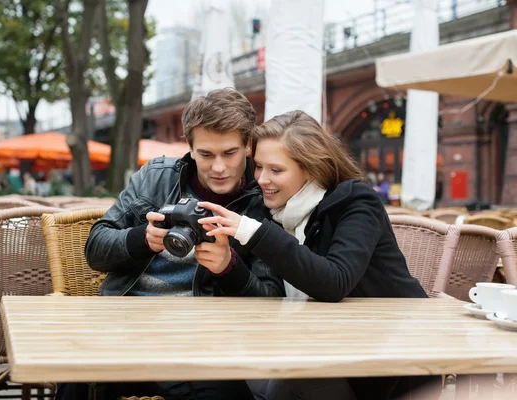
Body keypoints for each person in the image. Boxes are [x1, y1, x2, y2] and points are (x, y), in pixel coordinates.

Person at [197, 110, 441, 400]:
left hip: (391, 362)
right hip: (327, 351)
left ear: (311, 168)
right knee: (227, 376)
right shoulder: (274, 213)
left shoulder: (356, 202)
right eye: (259, 166)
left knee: (284, 386)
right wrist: (227, 265)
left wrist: (252, 232)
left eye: (276, 170)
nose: (261, 179)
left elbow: (334, 281)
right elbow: (270, 296)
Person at [79, 88, 285, 400]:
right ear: (189, 147)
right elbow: (95, 249)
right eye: (205, 154)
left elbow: (270, 302)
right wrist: (143, 240)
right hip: (126, 326)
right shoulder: (156, 177)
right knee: (73, 375)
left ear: (247, 146)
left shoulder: (263, 202)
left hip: (202, 338)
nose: (218, 168)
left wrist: (229, 267)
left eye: (229, 153)